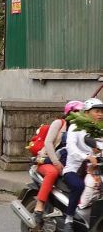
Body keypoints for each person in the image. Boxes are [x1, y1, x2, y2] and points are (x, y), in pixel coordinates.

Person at [33, 101, 84, 229]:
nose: (79, 115)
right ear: (69, 113)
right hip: (48, 160)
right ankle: (39, 207)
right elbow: (48, 143)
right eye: (76, 112)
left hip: (68, 164)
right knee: (52, 172)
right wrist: (56, 162)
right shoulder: (59, 123)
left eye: (81, 113)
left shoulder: (82, 128)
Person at [62, 98, 103, 232]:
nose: (100, 114)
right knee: (79, 186)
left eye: (102, 111)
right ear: (86, 112)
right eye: (97, 111)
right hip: (74, 169)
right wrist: (86, 157)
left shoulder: (99, 129)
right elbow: (71, 148)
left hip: (96, 169)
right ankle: (69, 219)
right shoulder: (76, 127)